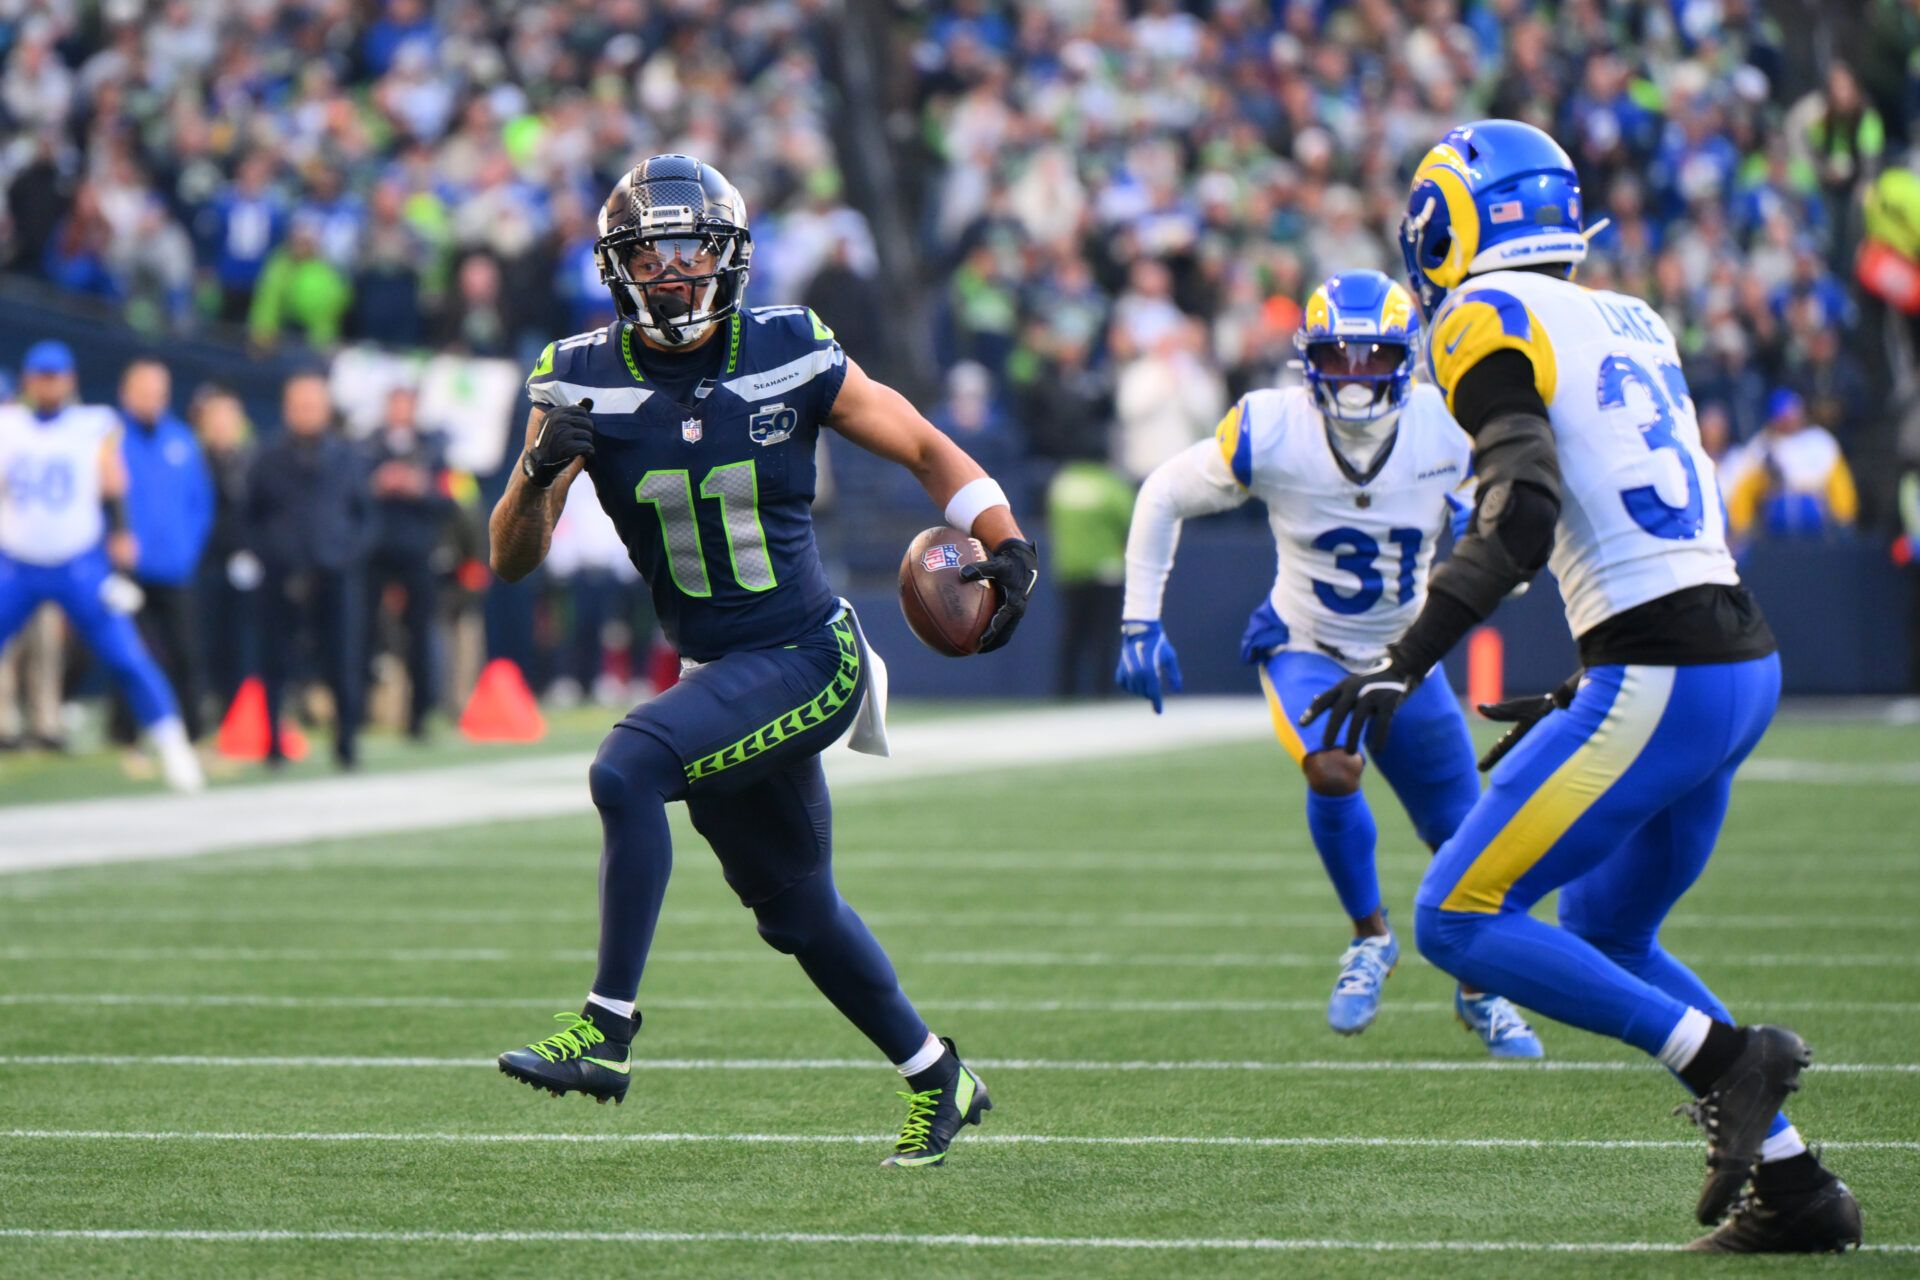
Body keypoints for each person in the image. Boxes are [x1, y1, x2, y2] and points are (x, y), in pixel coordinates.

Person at [1305, 120, 1859, 1252]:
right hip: (1733, 661)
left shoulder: (1481, 315)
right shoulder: (1629, 314)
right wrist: (1587, 672)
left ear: (1450, 221)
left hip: (1665, 666)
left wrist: (1407, 656)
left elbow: (1524, 509)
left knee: (1455, 915)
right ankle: (1801, 1192)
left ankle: (1729, 1059)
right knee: (1607, 926)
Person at [487, 155, 1038, 1168]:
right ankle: (936, 1073)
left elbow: (919, 444)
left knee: (626, 766)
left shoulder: (788, 346)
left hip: (806, 652)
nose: (672, 271)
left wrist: (1003, 542)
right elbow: (510, 558)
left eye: (691, 248)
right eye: (648, 254)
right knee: (796, 910)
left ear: (729, 257)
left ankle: (606, 1031)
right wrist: (533, 473)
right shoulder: (578, 374)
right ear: (617, 268)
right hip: (716, 673)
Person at [1117, 270, 1543, 1056]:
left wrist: (1489, 533)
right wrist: (1140, 617)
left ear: (1405, 360)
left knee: (1463, 840)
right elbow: (1162, 494)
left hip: (1408, 656)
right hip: (1305, 643)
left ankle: (1480, 990)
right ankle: (1369, 939)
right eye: (1337, 359)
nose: (1353, 378)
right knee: (1333, 768)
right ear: (1308, 363)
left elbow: (1515, 520)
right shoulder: (1270, 427)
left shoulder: (1447, 427)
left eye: (1371, 357)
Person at [0, 340, 201, 790]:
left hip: (78, 564)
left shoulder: (93, 423)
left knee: (128, 655)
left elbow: (114, 482)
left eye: (56, 375)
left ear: (70, 379)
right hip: (16, 564)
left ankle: (173, 745)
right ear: (29, 379)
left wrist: (122, 532)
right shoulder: (8, 425)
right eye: (41, 375)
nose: (49, 383)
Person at [247, 372, 370, 768]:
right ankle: (273, 744)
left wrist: (346, 554)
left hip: (334, 572)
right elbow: (250, 516)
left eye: (313, 405)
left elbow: (366, 516)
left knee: (343, 659)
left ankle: (346, 742)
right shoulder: (267, 456)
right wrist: (271, 554)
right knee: (275, 661)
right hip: (281, 574)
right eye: (299, 405)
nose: (306, 413)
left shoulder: (348, 456)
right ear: (286, 409)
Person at [111, 358, 213, 741]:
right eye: (144, 391)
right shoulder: (112, 438)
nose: (152, 400)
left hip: (174, 568)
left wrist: (186, 549)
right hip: (127, 569)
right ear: (126, 393)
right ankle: (125, 734)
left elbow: (200, 503)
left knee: (186, 652)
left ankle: (194, 730)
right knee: (127, 654)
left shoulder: (182, 440)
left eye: (159, 392)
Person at [362, 384, 455, 739]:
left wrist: (421, 488)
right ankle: (360, 712)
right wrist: (377, 483)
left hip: (418, 552)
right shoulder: (367, 446)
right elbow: (350, 495)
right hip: (375, 552)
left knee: (421, 636)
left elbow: (451, 500)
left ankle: (419, 715)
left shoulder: (434, 449)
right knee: (363, 633)